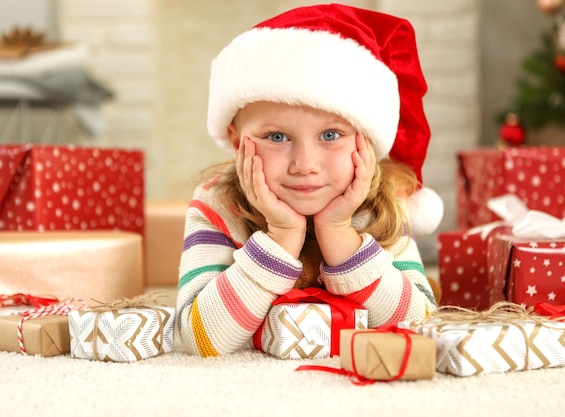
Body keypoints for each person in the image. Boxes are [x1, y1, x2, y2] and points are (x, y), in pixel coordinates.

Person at [176, 3, 444, 357]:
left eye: (330, 135)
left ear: (366, 142)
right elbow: (198, 339)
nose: (304, 164)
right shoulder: (217, 205)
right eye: (276, 137)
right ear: (240, 143)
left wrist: (340, 234)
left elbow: (423, 325)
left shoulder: (381, 204)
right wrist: (281, 235)